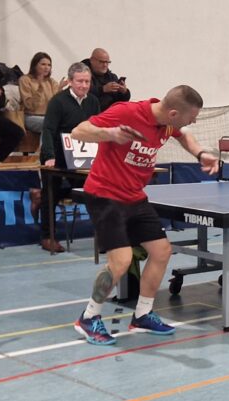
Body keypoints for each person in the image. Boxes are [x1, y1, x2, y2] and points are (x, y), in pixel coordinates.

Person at [71, 85, 219, 345]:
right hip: (105, 195)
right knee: (121, 261)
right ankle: (88, 317)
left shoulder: (167, 124)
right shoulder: (126, 112)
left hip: (134, 196)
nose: (193, 121)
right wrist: (109, 134)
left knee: (161, 251)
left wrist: (201, 153)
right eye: (191, 117)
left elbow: (185, 135)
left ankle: (142, 315)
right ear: (173, 113)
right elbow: (78, 131)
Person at [35, 62, 101, 253]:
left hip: (81, 156)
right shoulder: (58, 101)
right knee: (51, 194)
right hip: (57, 155)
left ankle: (103, 236)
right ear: (70, 81)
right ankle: (48, 236)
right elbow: (48, 130)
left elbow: (97, 129)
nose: (84, 85)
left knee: (93, 192)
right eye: (80, 81)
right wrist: (49, 156)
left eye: (87, 81)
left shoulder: (93, 101)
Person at [18, 52, 62, 133]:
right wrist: (40, 89)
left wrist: (60, 90)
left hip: (48, 116)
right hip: (31, 116)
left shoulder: (51, 82)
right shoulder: (25, 80)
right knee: (51, 124)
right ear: (35, 65)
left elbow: (55, 105)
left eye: (49, 65)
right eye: (43, 64)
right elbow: (30, 106)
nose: (46, 68)